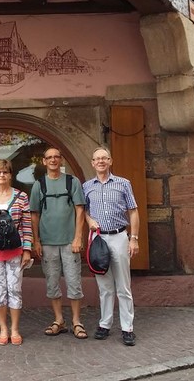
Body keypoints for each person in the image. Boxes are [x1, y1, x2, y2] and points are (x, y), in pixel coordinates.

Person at [83, 147, 140, 346]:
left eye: (104, 158)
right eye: (97, 159)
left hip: (119, 237)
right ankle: (104, 324)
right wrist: (89, 220)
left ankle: (127, 328)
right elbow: (84, 211)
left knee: (123, 285)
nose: (100, 161)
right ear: (92, 163)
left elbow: (133, 211)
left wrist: (134, 238)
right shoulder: (86, 186)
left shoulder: (123, 183)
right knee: (104, 286)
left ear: (110, 161)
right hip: (99, 238)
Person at [29, 148, 87, 339]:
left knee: (74, 282)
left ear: (61, 160)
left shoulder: (72, 181)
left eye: (56, 157)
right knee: (52, 283)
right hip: (47, 243)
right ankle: (59, 320)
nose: (53, 160)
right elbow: (34, 215)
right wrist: (36, 240)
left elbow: (80, 210)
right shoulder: (39, 185)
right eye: (49, 157)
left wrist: (78, 237)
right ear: (44, 161)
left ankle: (76, 321)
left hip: (70, 242)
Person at [0, 159, 33, 345]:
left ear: (10, 175)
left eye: (5, 172)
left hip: (15, 250)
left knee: (15, 289)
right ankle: (3, 328)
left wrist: (27, 250)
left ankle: (15, 329)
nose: (1, 175)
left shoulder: (21, 197)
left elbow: (26, 225)